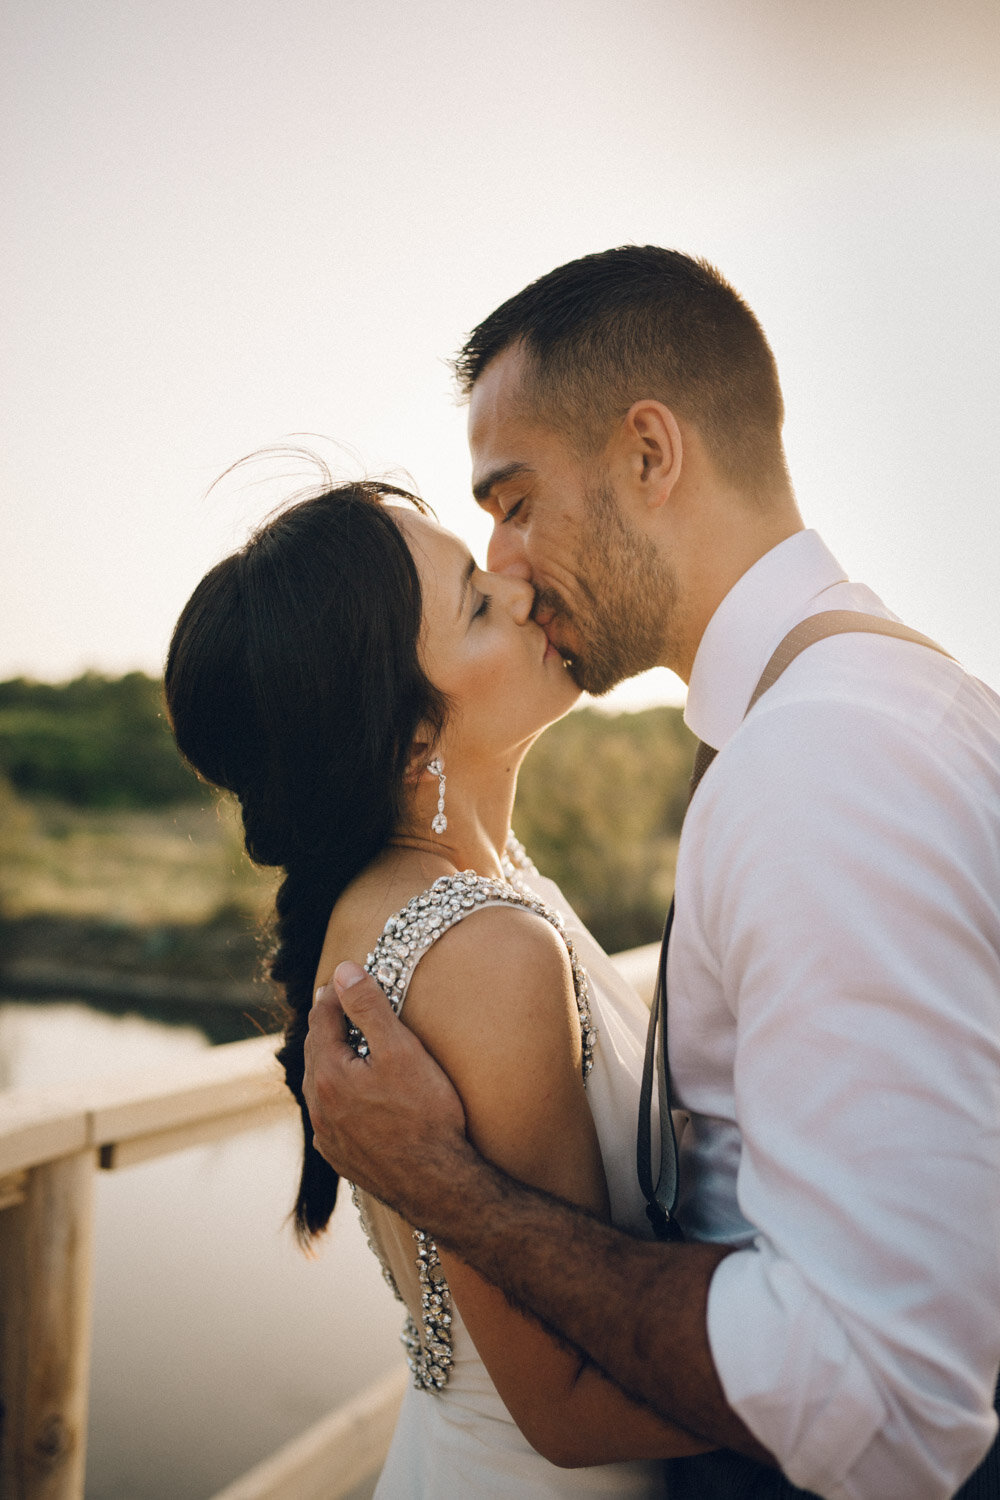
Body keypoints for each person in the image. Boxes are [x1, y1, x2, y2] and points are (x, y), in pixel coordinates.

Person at [303, 247, 1000, 1499]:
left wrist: (454, 1192)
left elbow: (885, 1407)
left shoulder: (821, 761)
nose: (503, 562)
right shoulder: (859, 699)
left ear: (648, 455)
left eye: (512, 502)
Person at [164, 477, 713, 1497]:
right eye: (473, 602)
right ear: (411, 736)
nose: (516, 585)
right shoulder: (477, 950)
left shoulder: (463, 891)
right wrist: (867, 1380)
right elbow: (565, 1400)